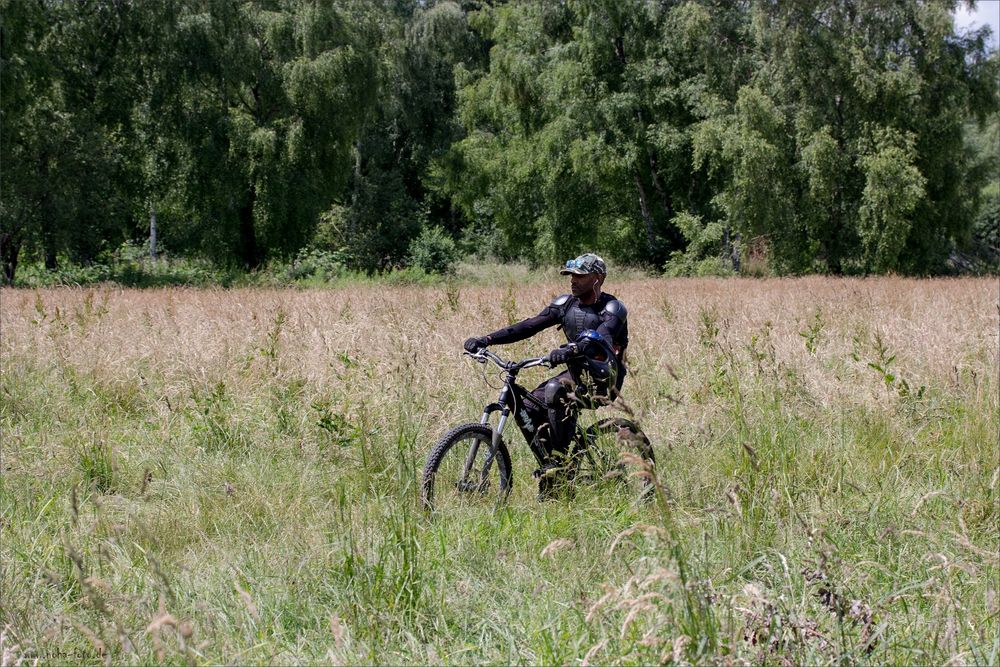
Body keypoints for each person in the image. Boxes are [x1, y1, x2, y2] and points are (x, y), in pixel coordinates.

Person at [463, 253, 629, 469]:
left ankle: (561, 462)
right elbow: (530, 325)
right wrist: (487, 339)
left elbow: (602, 336)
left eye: (580, 276)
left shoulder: (613, 309)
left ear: (598, 277)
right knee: (529, 406)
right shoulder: (566, 304)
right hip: (575, 373)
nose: (573, 280)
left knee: (555, 390)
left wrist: (573, 349)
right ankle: (550, 467)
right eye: (570, 275)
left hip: (604, 379)